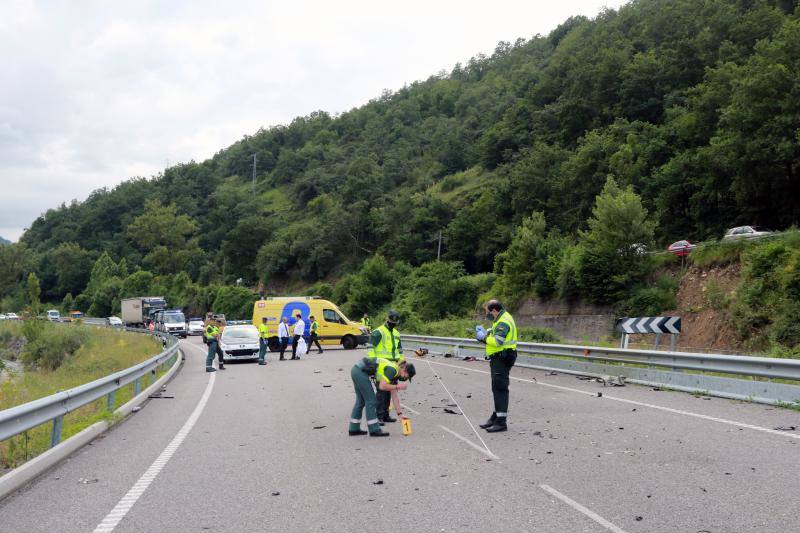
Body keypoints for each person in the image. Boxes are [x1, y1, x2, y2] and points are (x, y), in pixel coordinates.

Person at [475, 299, 517, 432]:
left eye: (487, 311)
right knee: (496, 388)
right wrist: (486, 334)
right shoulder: (499, 320)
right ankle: (496, 416)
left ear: (494, 310)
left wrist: (483, 337)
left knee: (500, 389)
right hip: (499, 358)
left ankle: (501, 422)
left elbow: (498, 341)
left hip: (502, 358)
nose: (486, 314)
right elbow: (496, 336)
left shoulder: (503, 320)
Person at [348, 356, 415, 437]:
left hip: (356, 370)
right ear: (405, 370)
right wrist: (398, 387)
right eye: (407, 376)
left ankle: (354, 428)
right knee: (371, 401)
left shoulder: (395, 373)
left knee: (360, 401)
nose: (405, 379)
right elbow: (382, 386)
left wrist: (400, 415)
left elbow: (394, 396)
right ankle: (374, 430)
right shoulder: (392, 370)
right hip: (360, 372)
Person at [367, 310, 405, 423]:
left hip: (394, 366)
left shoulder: (397, 334)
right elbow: (370, 347)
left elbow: (400, 351)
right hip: (382, 365)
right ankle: (378, 416)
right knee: (381, 391)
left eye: (395, 322)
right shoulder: (378, 332)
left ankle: (385, 415)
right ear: (387, 319)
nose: (393, 323)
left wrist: (402, 365)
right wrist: (373, 364)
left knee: (390, 391)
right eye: (391, 321)